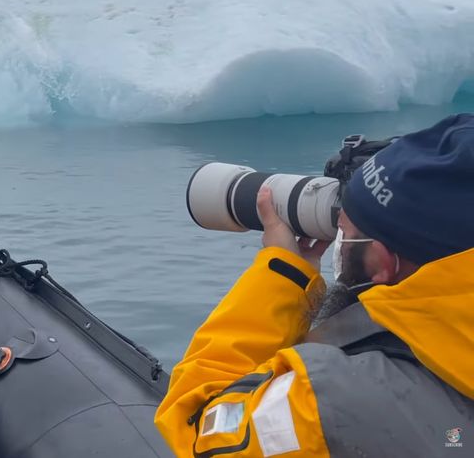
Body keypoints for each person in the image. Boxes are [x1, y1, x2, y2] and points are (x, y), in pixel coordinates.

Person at [155, 114, 474, 457]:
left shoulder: (332, 400)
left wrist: (282, 275)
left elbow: (199, 431)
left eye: (346, 233)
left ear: (383, 263)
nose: (337, 238)